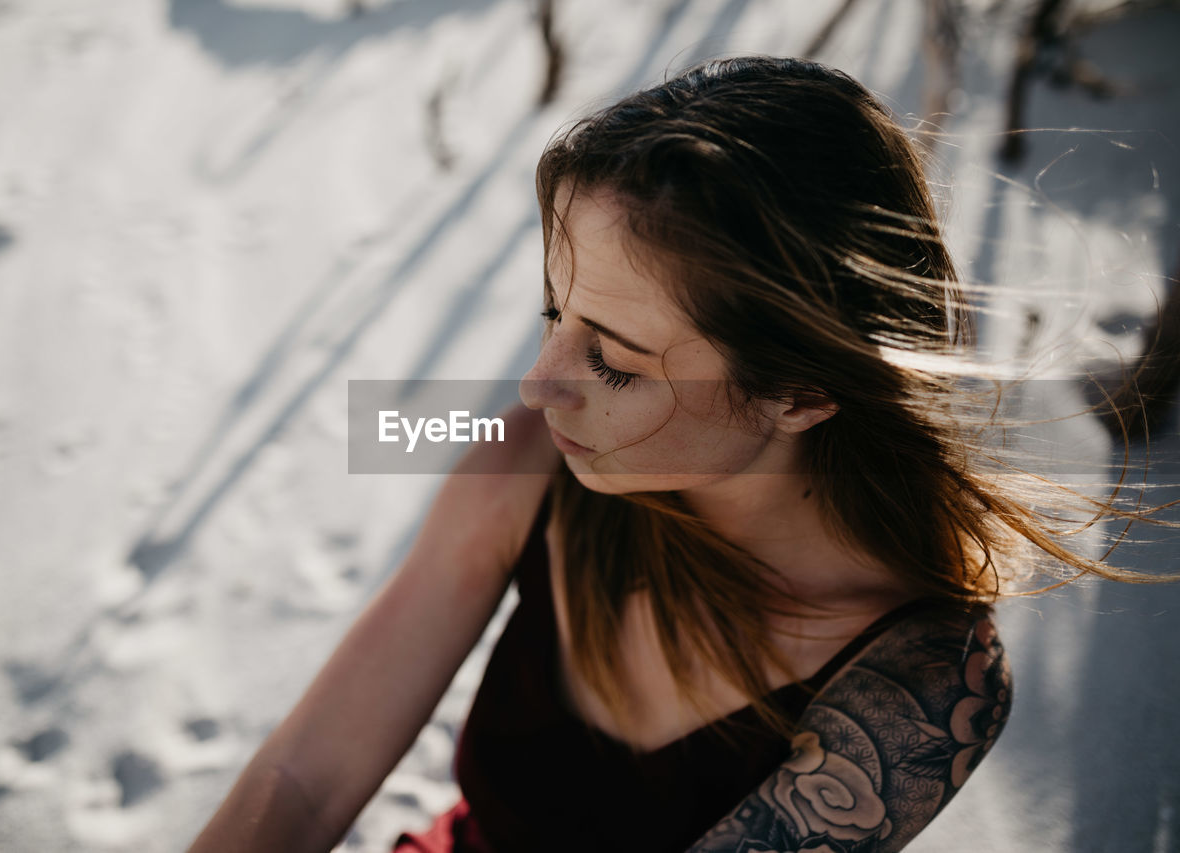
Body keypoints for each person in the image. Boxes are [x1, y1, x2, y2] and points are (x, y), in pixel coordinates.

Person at [187, 56, 1175, 853]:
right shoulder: (527, 449)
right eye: (551, 314)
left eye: (611, 360)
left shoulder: (915, 686)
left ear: (801, 391)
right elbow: (304, 781)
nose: (537, 382)